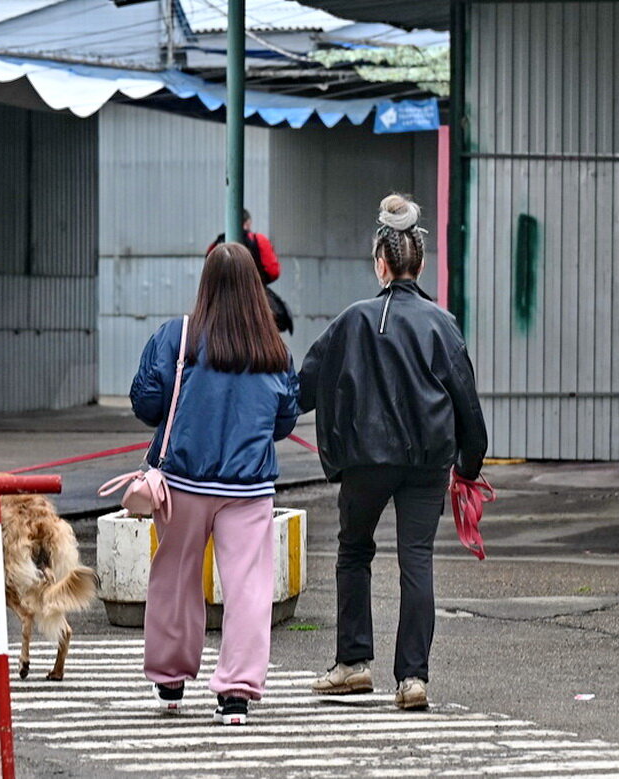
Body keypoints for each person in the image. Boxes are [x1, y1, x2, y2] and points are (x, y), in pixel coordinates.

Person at [297, 194, 487, 710]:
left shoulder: (353, 320)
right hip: (427, 464)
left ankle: (353, 665)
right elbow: (467, 403)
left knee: (354, 551)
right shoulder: (441, 324)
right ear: (418, 263)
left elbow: (303, 387)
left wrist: (258, 422)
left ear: (381, 262)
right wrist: (469, 467)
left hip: (364, 461)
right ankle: (413, 679)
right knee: (417, 560)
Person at [130, 242, 300, 725]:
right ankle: (236, 695)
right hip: (248, 488)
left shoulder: (177, 337)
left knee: (175, 576)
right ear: (254, 290)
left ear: (205, 285)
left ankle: (170, 680)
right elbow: (284, 420)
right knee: (248, 587)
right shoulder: (273, 349)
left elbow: (145, 402)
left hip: (183, 481)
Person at [207, 209, 292, 333]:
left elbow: (208, 274)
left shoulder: (217, 243)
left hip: (221, 302)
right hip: (253, 299)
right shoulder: (259, 240)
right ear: (247, 223)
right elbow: (273, 271)